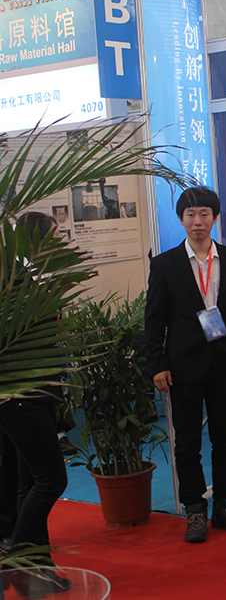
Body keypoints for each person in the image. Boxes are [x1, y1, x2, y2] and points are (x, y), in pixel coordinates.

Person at [144, 187, 226, 544]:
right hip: (183, 365)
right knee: (187, 442)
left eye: (204, 214)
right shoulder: (165, 264)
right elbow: (154, 320)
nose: (198, 221)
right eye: (191, 214)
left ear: (215, 217)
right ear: (181, 219)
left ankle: (225, 505)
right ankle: (194, 510)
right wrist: (157, 364)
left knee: (225, 438)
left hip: (225, 361)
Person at [0, 212, 71, 593]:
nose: (58, 243)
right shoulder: (12, 279)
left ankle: (37, 569)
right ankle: (15, 558)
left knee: (29, 482)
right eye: (53, 237)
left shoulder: (30, 275)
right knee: (51, 480)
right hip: (20, 395)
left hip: (40, 392)